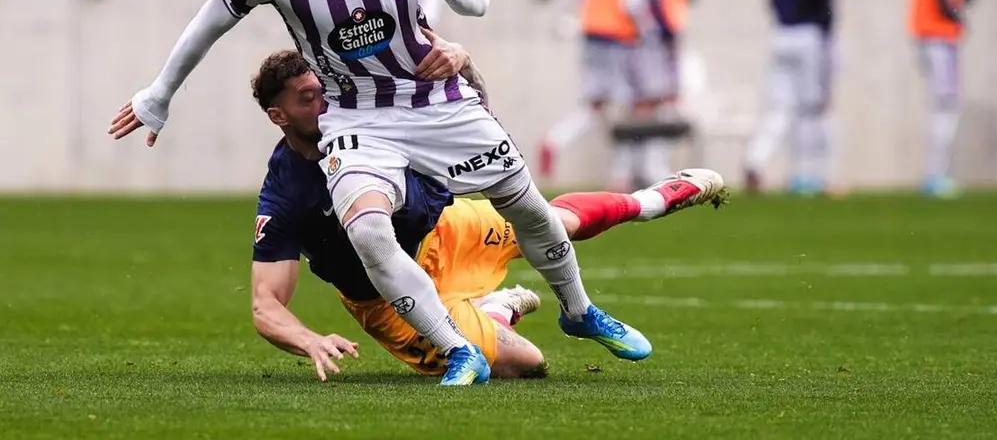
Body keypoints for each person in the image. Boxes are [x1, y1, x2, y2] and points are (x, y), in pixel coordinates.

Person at [108, 0, 652, 386]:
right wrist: (158, 95)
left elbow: (478, 2)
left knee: (528, 207)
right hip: (356, 116)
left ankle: (579, 311)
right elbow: (208, 23)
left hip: (434, 99)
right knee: (368, 232)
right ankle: (458, 349)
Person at [248, 48, 727, 382]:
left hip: (444, 231)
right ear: (278, 115)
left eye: (322, 90)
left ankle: (653, 199)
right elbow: (265, 304)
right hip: (386, 299)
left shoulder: (371, 112)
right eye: (306, 98)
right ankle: (497, 309)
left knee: (550, 223)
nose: (324, 103)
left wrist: (464, 60)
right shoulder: (286, 192)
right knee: (527, 364)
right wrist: (308, 340)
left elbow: (469, 114)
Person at [539, 0, 689, 192]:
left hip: (592, 35)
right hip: (621, 40)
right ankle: (623, 176)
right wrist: (649, 30)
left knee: (597, 104)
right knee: (628, 108)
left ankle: (556, 141)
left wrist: (573, 17)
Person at [743, 0, 841, 195]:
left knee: (779, 107)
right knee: (812, 108)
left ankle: (755, 160)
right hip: (809, 36)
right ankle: (806, 174)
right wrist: (826, 39)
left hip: (781, 35)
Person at [623, 0, 691, 187]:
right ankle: (648, 167)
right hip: (655, 38)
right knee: (652, 99)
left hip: (658, 35)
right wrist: (656, 29)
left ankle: (644, 166)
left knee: (653, 99)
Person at [907, 0, 974, 197]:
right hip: (939, 37)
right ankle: (935, 175)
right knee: (945, 105)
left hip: (930, 36)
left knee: (942, 105)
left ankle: (936, 173)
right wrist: (957, 17)